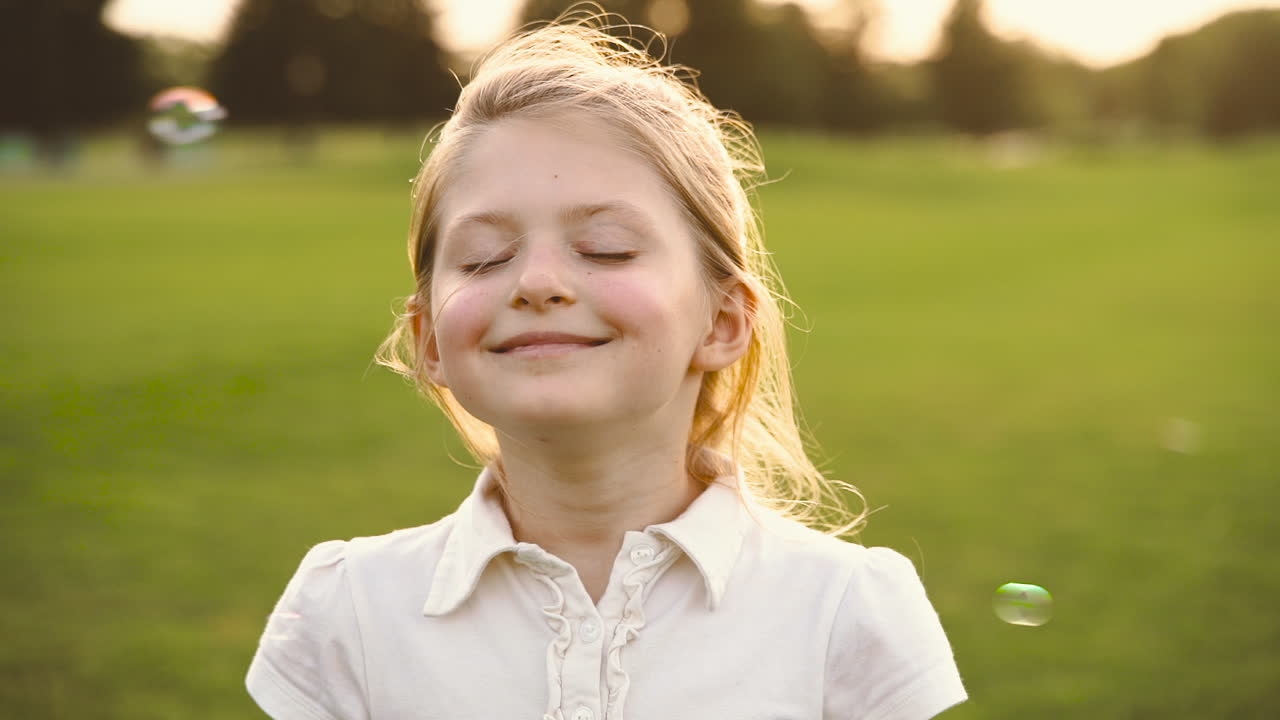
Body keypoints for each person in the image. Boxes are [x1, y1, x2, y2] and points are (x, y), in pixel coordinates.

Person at [245, 14, 966, 720]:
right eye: (484, 257)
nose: (537, 282)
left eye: (608, 246)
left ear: (722, 321)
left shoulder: (847, 612)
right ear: (429, 338)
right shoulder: (349, 611)